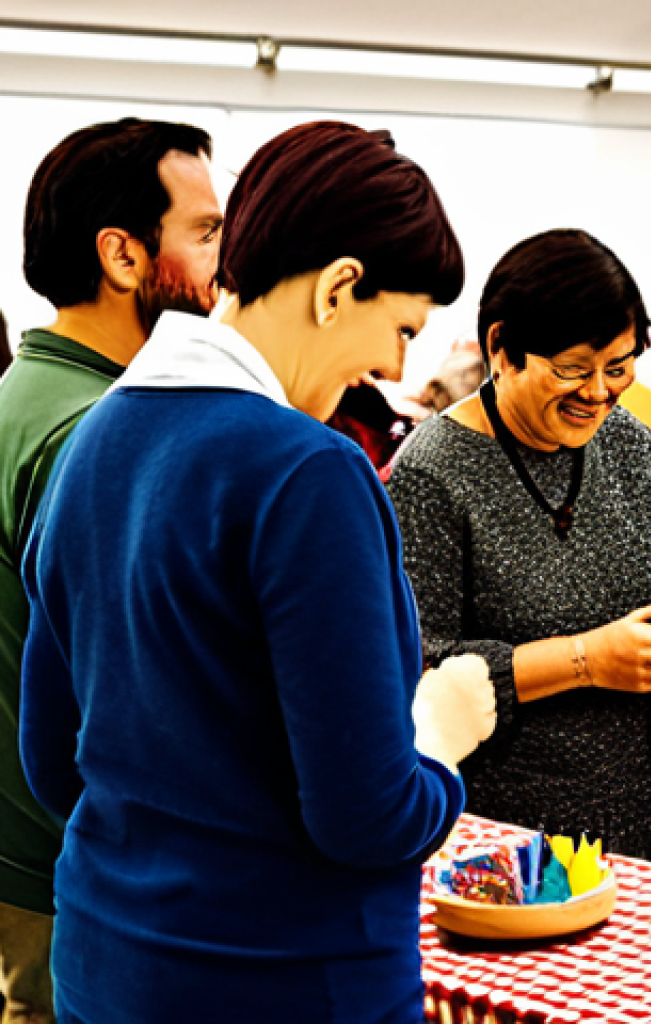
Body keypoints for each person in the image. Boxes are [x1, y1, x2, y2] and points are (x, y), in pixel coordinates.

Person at [18, 121, 493, 1024]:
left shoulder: (91, 444)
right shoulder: (307, 471)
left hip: (106, 964)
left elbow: (52, 758)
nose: (396, 367)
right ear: (339, 286)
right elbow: (369, 817)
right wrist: (439, 732)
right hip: (283, 981)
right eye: (401, 328)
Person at [388, 228, 651, 864]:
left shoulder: (629, 445)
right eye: (574, 370)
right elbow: (420, 672)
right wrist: (586, 660)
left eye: (619, 368)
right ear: (502, 348)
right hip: (505, 835)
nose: (599, 393)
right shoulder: (432, 471)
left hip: (646, 815)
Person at [0, 116, 221, 1024]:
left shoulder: (29, 395)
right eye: (204, 232)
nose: (225, 258)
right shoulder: (90, 433)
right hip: (71, 863)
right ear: (124, 256)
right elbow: (131, 689)